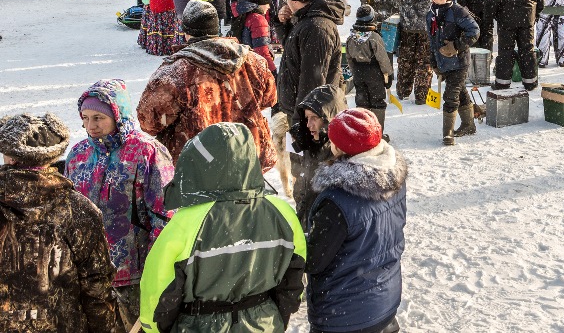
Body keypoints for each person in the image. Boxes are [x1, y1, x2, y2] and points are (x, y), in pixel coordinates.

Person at [139, 123, 305, 333]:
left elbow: (158, 291)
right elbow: (294, 277)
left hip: (199, 324)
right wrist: (275, 317)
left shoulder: (186, 222)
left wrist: (153, 328)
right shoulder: (282, 212)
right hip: (264, 322)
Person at [65, 79, 175, 327]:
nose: (90, 125)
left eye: (98, 118)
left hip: (134, 275)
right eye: (85, 117)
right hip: (89, 274)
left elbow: (166, 213)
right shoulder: (78, 155)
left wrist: (156, 266)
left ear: (118, 115)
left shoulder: (146, 151)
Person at [0, 113, 120, 332]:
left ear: (9, 157)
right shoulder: (78, 209)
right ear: (52, 157)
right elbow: (96, 287)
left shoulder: (77, 208)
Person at [138, 0, 278, 169]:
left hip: (197, 168)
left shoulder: (175, 72)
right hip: (248, 159)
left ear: (186, 32)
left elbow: (149, 121)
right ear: (216, 29)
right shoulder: (253, 61)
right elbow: (270, 99)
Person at [306, 109, 407, 333]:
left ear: (341, 148)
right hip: (384, 303)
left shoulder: (337, 200)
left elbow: (314, 260)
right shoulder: (393, 179)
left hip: (345, 316)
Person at [276, 0, 346, 133]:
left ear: (294, 1)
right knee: (297, 156)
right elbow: (292, 49)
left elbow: (313, 80)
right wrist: (283, 23)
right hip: (302, 110)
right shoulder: (306, 17)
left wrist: (301, 123)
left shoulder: (316, 28)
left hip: (312, 117)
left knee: (306, 157)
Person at [395, 0, 458, 104]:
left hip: (407, 20)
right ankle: (422, 95)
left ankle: (402, 90)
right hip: (430, 22)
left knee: (406, 56)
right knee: (425, 59)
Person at [427, 0, 481, 145]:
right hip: (443, 62)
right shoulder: (430, 15)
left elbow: (474, 31)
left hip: (459, 61)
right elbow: (431, 39)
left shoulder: (457, 11)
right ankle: (468, 124)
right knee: (460, 91)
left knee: (451, 96)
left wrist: (456, 45)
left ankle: (447, 134)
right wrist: (433, 61)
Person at [487, 0, 544, 91]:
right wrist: (535, 13)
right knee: (528, 49)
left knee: (506, 51)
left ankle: (502, 82)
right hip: (527, 18)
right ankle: (531, 82)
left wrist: (491, 17)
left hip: (507, 19)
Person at [290, 83, 348, 222]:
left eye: (314, 118)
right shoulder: (301, 140)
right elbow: (298, 179)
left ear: (331, 118)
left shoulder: (343, 147)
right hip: (306, 215)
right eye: (307, 118)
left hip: (331, 223)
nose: (309, 124)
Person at [343, 5, 394, 132]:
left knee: (362, 102)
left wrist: (354, 71)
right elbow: (382, 58)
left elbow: (349, 57)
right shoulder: (374, 37)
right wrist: (388, 74)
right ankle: (377, 133)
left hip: (358, 72)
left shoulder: (351, 37)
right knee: (377, 101)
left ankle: (363, 131)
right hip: (374, 72)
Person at [235, 0, 278, 73]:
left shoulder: (245, 15)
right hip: (256, 67)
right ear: (261, 4)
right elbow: (262, 50)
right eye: (267, 3)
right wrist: (272, 70)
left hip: (245, 66)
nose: (269, 7)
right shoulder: (258, 20)